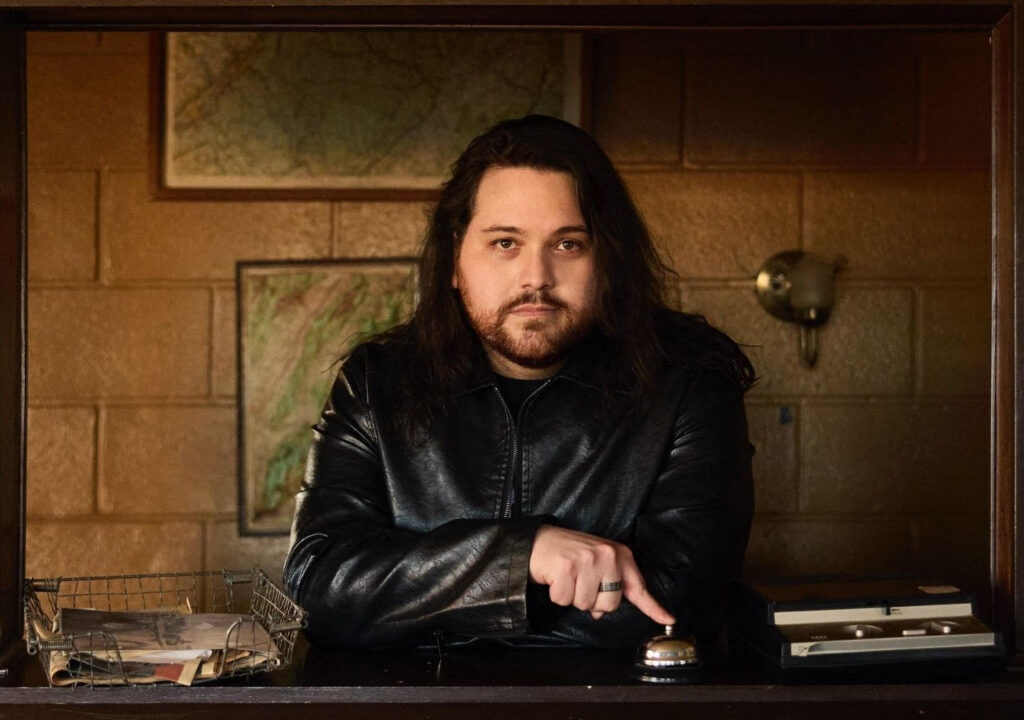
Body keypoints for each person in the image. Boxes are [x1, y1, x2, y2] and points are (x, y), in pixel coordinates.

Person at [284, 115, 755, 650]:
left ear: (609, 260)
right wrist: (525, 555)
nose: (536, 277)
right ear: (456, 259)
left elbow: (678, 603)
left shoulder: (688, 384)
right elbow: (318, 583)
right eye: (506, 242)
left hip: (610, 701)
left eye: (568, 244)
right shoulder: (377, 382)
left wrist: (425, 604)